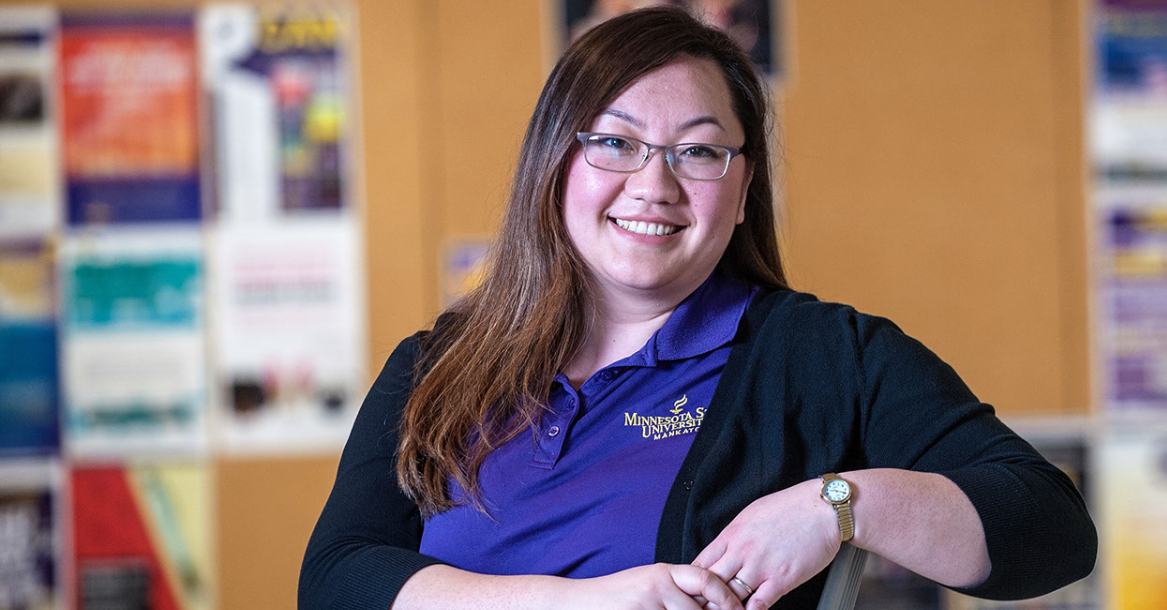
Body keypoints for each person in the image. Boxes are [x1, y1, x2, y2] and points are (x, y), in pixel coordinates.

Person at [299, 7, 1096, 610]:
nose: (654, 183)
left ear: (745, 188)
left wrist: (839, 506)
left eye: (700, 151)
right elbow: (337, 577)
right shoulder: (439, 362)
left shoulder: (820, 358)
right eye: (614, 142)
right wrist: (583, 602)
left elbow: (1049, 525)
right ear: (555, 163)